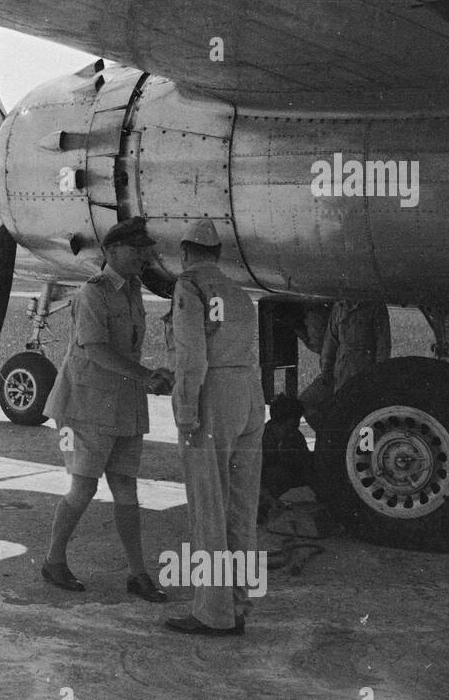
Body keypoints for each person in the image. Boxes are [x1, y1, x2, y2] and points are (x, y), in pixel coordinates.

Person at [39, 217, 174, 601]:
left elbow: (125, 348)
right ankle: (53, 561)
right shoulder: (93, 293)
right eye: (136, 250)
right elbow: (95, 349)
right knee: (83, 486)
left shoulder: (132, 288)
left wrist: (149, 375)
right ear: (113, 251)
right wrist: (146, 375)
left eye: (145, 250)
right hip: (88, 403)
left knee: (126, 488)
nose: (143, 257)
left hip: (123, 402)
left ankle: (138, 574)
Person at [166, 219, 264, 636]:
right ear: (219, 255)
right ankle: (238, 603)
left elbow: (192, 359)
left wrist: (186, 413)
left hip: (214, 394)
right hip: (249, 394)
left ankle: (212, 612)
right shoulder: (240, 293)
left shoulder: (190, 287)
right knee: (242, 508)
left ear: (186, 253)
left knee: (209, 506)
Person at [258, 394, 313, 523]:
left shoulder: (295, 437)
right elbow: (253, 476)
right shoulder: (261, 439)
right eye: (295, 421)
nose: (298, 425)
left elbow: (306, 464)